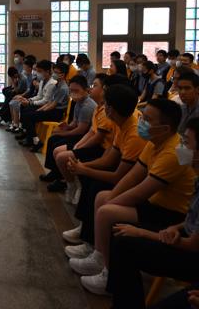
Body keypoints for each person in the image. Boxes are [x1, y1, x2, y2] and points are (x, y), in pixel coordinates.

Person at [71, 99, 196, 295]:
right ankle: (98, 253)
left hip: (171, 213)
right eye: (142, 116)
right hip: (156, 203)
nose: (141, 122)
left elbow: (141, 192)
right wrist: (111, 197)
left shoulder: (173, 153)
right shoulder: (155, 142)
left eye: (147, 119)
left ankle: (109, 275)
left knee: (106, 211)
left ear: (165, 128)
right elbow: (132, 177)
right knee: (103, 196)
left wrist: (111, 203)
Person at [105, 117, 199, 309]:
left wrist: (142, 233)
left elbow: (192, 245)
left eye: (187, 142)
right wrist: (175, 227)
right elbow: (192, 219)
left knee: (125, 242)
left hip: (192, 255)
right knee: (121, 235)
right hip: (182, 233)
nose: (181, 147)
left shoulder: (171, 156)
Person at [62, 81, 147, 258]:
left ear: (111, 109)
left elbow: (118, 176)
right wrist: (82, 166)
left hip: (132, 177)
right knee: (89, 179)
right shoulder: (122, 122)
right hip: (125, 169)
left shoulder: (134, 132)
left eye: (105, 103)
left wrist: (84, 170)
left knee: (96, 186)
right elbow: (109, 159)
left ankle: (91, 243)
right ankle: (85, 229)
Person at [46, 74, 116, 201]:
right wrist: (68, 129)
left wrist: (78, 147)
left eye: (95, 86)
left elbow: (88, 133)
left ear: (105, 90)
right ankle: (63, 178)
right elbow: (90, 130)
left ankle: (72, 183)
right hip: (90, 141)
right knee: (55, 143)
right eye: (71, 90)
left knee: (60, 152)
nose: (91, 88)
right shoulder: (95, 107)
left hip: (97, 145)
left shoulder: (93, 107)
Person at [41, 75, 97, 193]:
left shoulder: (87, 106)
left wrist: (64, 133)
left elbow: (81, 130)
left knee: (57, 142)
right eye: (71, 90)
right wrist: (67, 127)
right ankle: (55, 172)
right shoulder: (78, 102)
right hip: (80, 133)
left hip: (85, 137)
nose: (73, 93)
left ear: (86, 89)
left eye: (76, 90)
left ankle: (62, 179)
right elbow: (75, 123)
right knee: (53, 139)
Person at [18, 62, 70, 151]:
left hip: (56, 113)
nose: (54, 74)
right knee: (28, 113)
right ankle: (33, 140)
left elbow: (53, 105)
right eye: (54, 71)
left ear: (63, 74)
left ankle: (36, 142)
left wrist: (40, 110)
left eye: (56, 72)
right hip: (51, 110)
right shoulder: (57, 85)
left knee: (29, 116)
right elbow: (49, 102)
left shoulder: (63, 88)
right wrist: (40, 109)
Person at [7, 59, 55, 134]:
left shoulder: (52, 83)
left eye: (40, 71)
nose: (37, 73)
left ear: (47, 71)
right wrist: (27, 100)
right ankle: (22, 129)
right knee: (22, 106)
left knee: (27, 112)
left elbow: (45, 101)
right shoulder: (43, 81)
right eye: (37, 71)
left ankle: (30, 135)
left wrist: (30, 102)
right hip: (40, 103)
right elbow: (39, 96)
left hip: (45, 106)